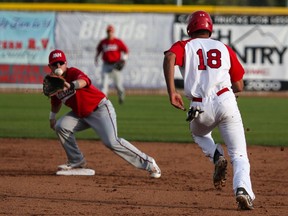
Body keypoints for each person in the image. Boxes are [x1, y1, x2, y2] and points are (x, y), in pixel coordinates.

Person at [163, 11, 255, 210]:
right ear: (209, 28)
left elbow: (170, 57)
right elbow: (239, 85)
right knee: (239, 154)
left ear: (190, 29)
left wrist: (172, 91)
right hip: (226, 100)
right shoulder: (223, 47)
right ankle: (242, 191)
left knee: (198, 133)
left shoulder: (184, 45)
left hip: (199, 105)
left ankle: (215, 155)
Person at [47, 49, 161, 178]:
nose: (58, 66)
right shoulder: (53, 82)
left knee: (112, 142)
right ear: (49, 66)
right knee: (61, 126)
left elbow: (84, 81)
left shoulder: (73, 72)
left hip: (100, 109)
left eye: (61, 63)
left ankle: (149, 163)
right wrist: (52, 117)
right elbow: (56, 101)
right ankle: (76, 161)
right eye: (55, 63)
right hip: (81, 114)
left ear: (66, 63)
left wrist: (71, 85)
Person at [95, 24, 128, 104]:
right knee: (104, 85)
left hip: (115, 66)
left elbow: (126, 51)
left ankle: (121, 96)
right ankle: (104, 101)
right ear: (107, 32)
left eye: (111, 31)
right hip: (106, 65)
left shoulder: (118, 42)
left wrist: (124, 59)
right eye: (108, 31)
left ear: (113, 32)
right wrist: (96, 58)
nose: (110, 33)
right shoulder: (103, 42)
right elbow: (98, 51)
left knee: (118, 85)